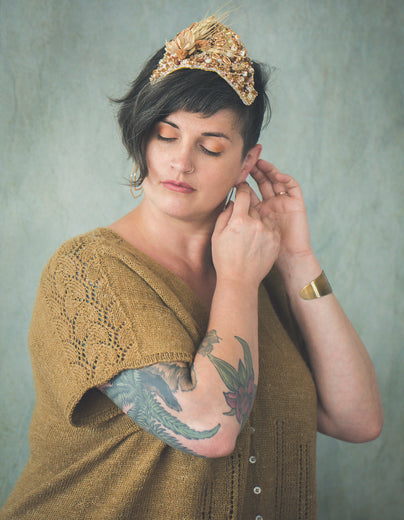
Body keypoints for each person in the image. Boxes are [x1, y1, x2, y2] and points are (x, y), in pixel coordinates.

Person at [0, 14, 383, 520]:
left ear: (247, 164)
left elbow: (357, 419)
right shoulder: (84, 272)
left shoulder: (258, 269)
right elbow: (208, 426)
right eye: (166, 134)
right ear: (141, 138)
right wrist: (240, 281)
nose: (181, 162)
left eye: (211, 147)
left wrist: (296, 260)